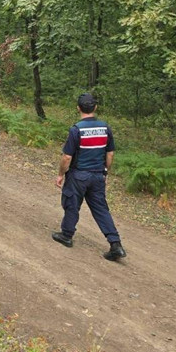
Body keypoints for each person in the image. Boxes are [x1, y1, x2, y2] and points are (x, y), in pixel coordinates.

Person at [52, 92, 126, 261]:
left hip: (79, 175)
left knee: (71, 203)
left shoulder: (76, 129)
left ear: (78, 108)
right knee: (101, 209)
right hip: (97, 176)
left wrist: (60, 174)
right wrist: (105, 172)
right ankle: (115, 244)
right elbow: (110, 154)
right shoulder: (105, 128)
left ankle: (67, 235)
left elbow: (67, 157)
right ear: (95, 107)